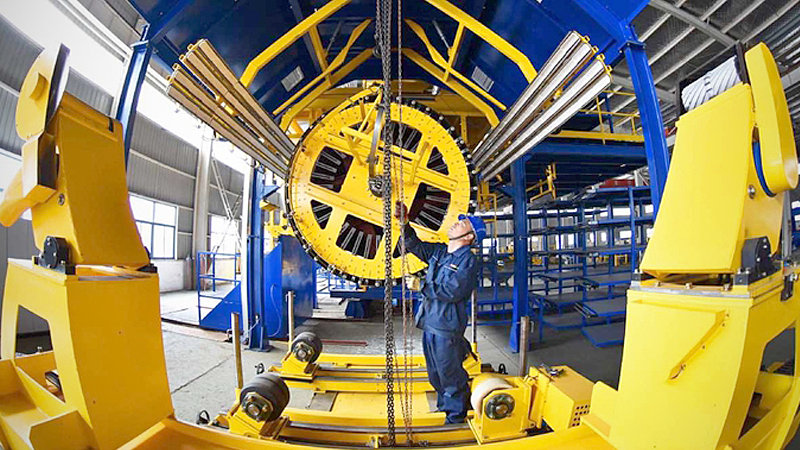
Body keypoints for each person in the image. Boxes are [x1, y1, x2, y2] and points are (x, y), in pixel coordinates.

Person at [394, 201, 486, 424]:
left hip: (447, 328)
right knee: (435, 373)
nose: (455, 224)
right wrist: (403, 222)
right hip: (430, 323)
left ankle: (456, 417)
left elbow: (453, 291)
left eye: (462, 223)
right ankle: (445, 407)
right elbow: (412, 244)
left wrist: (421, 285)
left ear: (469, 237)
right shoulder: (439, 252)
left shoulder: (468, 261)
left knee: (450, 374)